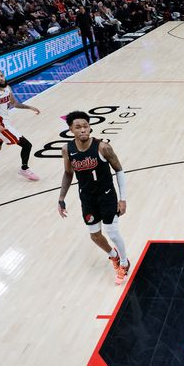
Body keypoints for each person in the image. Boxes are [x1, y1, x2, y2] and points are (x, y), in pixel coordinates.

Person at [57, 110, 131, 285]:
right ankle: (113, 256)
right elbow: (68, 174)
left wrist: (123, 199)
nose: (83, 129)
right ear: (70, 130)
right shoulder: (67, 150)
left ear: (90, 127)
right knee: (95, 236)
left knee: (112, 232)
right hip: (87, 198)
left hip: (106, 195)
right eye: (78, 127)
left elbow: (119, 169)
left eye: (85, 126)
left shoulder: (102, 147)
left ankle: (124, 262)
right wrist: (61, 198)